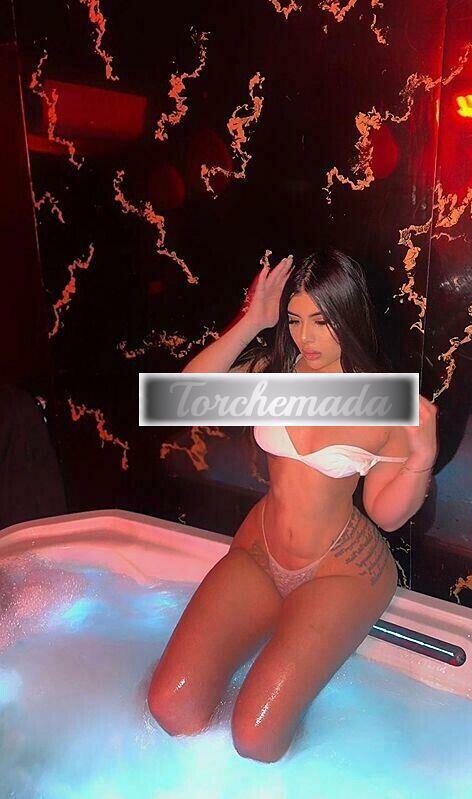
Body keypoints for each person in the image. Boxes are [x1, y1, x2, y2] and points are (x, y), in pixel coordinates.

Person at [147, 248, 438, 762]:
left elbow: (386, 513)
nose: (307, 337)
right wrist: (251, 321)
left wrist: (420, 460)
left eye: (322, 321)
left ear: (348, 315)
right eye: (295, 320)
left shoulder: (379, 399)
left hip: (340, 569)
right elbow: (179, 400)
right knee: (172, 706)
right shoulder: (276, 374)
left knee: (257, 738)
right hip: (261, 550)